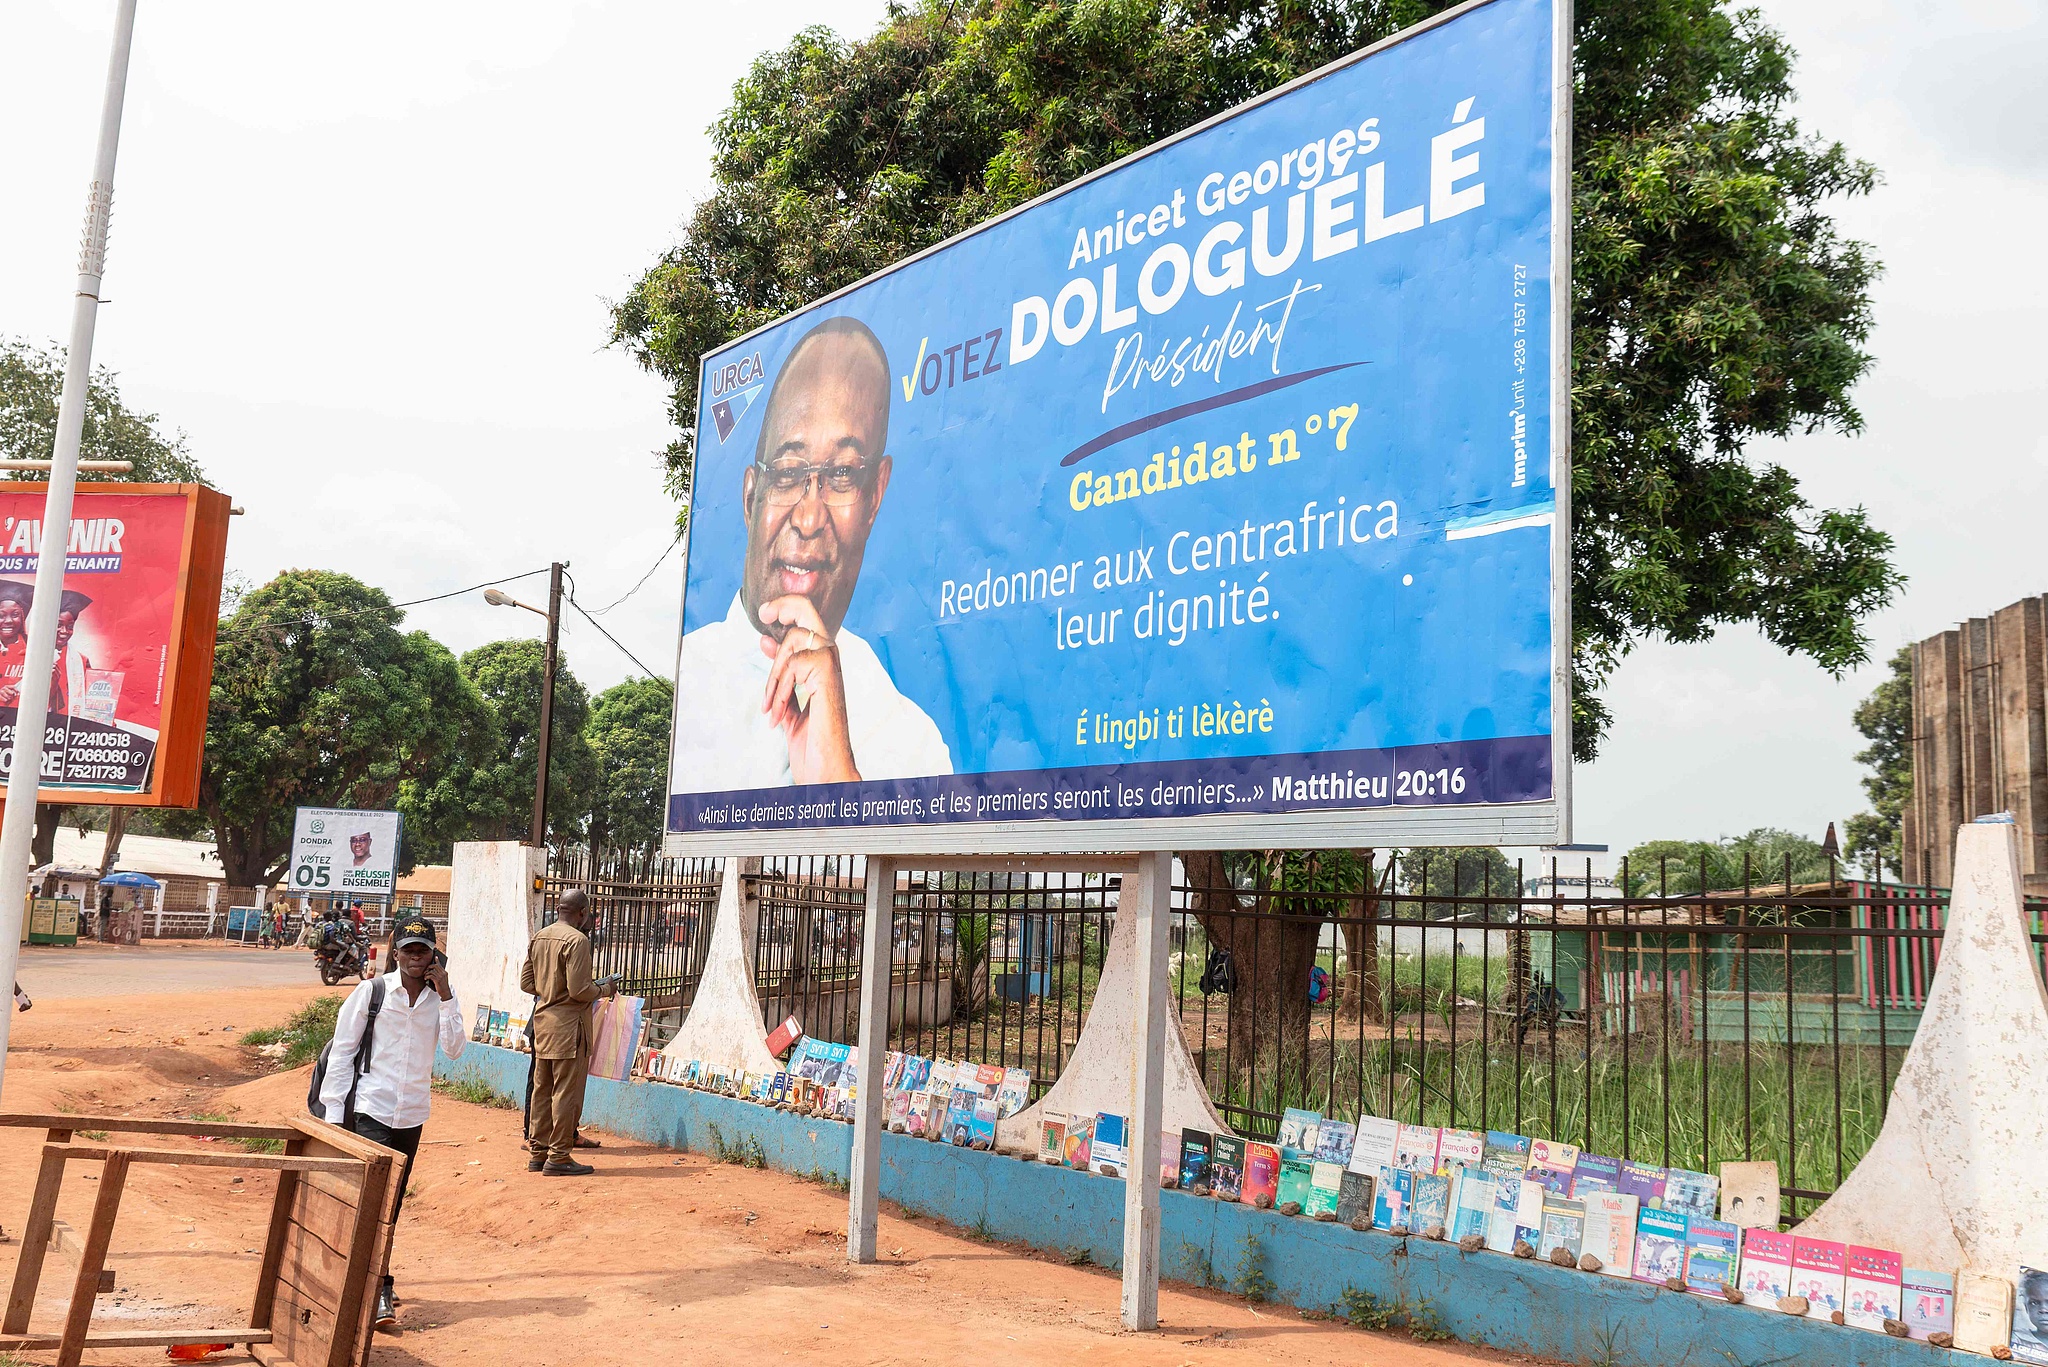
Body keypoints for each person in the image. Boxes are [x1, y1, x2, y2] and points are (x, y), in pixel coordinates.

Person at [671, 316, 951, 793]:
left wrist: (837, 787)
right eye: (786, 472)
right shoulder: (684, 685)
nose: (808, 518)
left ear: (875, 495)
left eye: (843, 473)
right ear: (749, 497)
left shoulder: (913, 746)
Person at [315, 916, 465, 1333]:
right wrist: (333, 1119)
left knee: (391, 1203)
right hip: (371, 1110)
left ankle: (371, 1275)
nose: (416, 958)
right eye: (409, 950)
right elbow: (343, 1054)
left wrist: (449, 996)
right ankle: (376, 1284)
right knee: (371, 1200)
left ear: (434, 954)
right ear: (395, 953)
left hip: (412, 1114)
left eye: (424, 950)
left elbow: (454, 1050)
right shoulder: (372, 992)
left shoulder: (440, 1000)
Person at [519, 888, 615, 1176]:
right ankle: (559, 1156)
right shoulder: (578, 940)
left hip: (542, 1024)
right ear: (583, 913)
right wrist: (605, 988)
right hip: (568, 1028)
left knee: (541, 1090)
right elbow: (579, 990)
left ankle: (538, 1154)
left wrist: (550, 991)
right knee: (564, 1093)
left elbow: (526, 983)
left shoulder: (540, 936)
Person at [0, 579, 31, 707]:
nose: (8, 621)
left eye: (15, 614)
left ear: (22, 617)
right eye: (1, 615)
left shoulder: (34, 650)